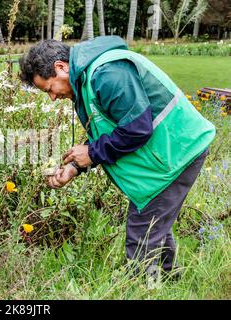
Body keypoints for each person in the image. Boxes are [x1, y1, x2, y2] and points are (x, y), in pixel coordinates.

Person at [19, 36, 216, 279]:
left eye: (49, 88)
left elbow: (137, 129)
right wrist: (74, 167)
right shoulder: (87, 80)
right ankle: (168, 281)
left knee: (143, 232)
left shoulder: (107, 73)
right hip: (168, 154)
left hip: (177, 152)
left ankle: (143, 287)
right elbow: (110, 131)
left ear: (61, 67)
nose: (52, 97)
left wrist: (91, 153)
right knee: (155, 225)